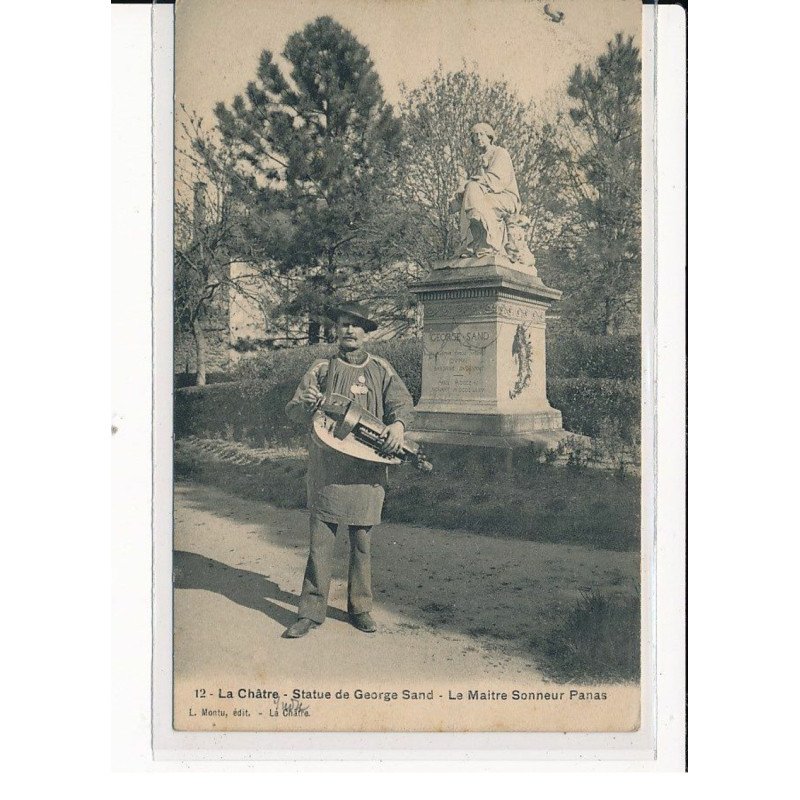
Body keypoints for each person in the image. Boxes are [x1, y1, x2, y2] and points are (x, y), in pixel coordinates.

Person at [282, 303, 414, 638]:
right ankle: (311, 612)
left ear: (366, 332)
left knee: (362, 543)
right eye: (344, 325)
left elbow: (402, 405)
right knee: (320, 544)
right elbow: (294, 411)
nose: (349, 331)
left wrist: (397, 426)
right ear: (336, 330)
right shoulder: (321, 368)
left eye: (356, 326)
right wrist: (306, 404)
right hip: (327, 467)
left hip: (367, 469)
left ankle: (361, 609)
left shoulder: (381, 368)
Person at [451, 122, 520, 257]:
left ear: (489, 136)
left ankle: (487, 243)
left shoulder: (500, 153)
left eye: (481, 134)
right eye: (475, 136)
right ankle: (470, 242)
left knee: (476, 194)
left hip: (506, 196)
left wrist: (471, 183)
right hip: (488, 194)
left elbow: (498, 180)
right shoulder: (479, 159)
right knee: (470, 195)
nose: (478, 138)